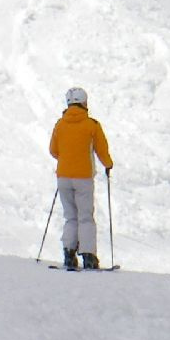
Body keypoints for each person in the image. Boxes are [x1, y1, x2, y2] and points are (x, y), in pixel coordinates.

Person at [49, 86, 114, 271]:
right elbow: (102, 150)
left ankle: (69, 254)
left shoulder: (60, 125)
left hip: (63, 177)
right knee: (85, 217)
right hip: (83, 178)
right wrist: (108, 164)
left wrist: (67, 159)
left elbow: (54, 150)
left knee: (70, 217)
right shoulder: (92, 125)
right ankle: (89, 256)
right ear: (84, 103)